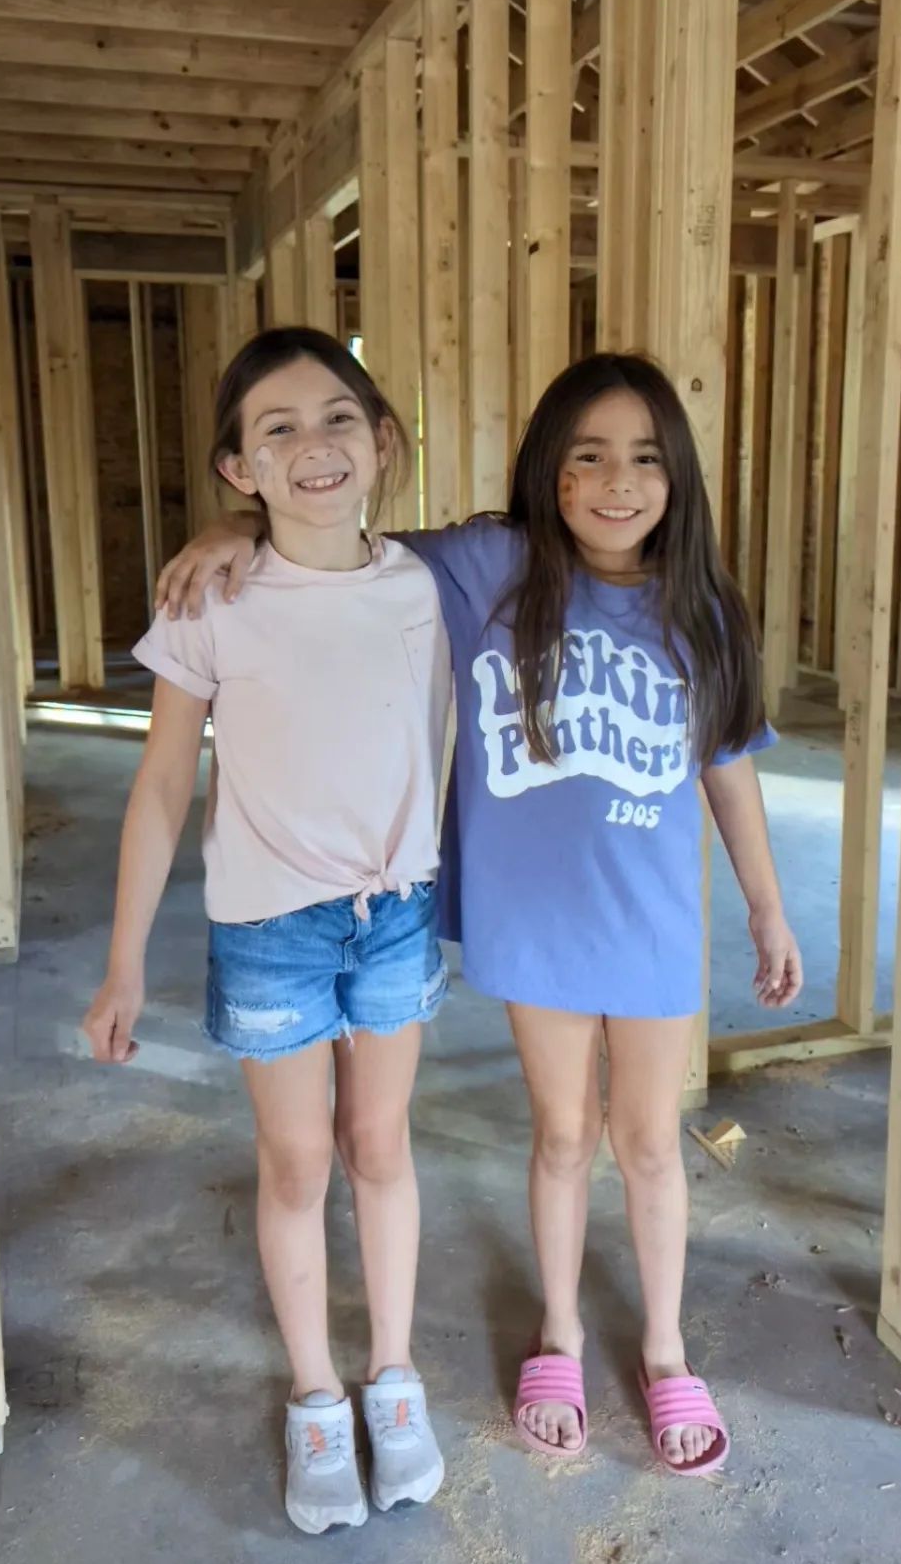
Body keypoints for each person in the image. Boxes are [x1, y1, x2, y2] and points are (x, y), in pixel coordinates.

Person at [156, 352, 802, 1480]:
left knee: (650, 1141)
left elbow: (730, 767)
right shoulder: (490, 568)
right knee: (561, 1135)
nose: (615, 481)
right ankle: (558, 1331)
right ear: (547, 469)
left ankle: (664, 1347)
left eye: (646, 458)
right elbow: (333, 532)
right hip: (537, 921)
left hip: (652, 923)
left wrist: (767, 907)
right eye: (588, 455)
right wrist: (232, 525)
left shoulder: (703, 607)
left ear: (678, 478)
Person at [82, 328, 452, 1535]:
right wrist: (125, 960)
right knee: (298, 1164)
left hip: (394, 916)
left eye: (338, 417)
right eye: (276, 429)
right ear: (237, 470)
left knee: (379, 1146)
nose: (314, 445)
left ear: (382, 441)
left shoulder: (427, 583)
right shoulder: (212, 603)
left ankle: (393, 1381)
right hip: (271, 931)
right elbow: (158, 788)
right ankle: (313, 1395)